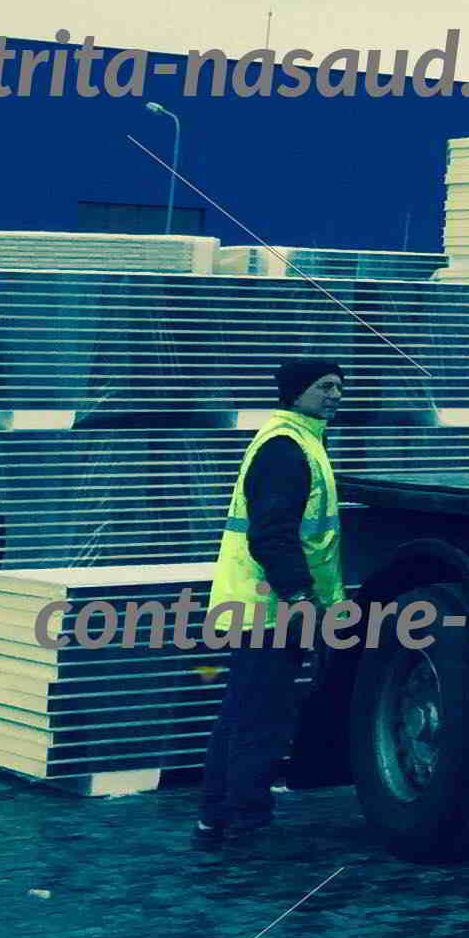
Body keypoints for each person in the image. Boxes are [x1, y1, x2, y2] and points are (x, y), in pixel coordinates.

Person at [196, 361, 346, 845]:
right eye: (324, 386)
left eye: (339, 387)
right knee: (258, 720)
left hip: (266, 606)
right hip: (268, 609)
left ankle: (217, 817)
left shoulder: (301, 440)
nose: (335, 395)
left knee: (243, 713)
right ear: (296, 392)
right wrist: (300, 597)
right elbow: (271, 534)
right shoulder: (285, 448)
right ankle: (244, 820)